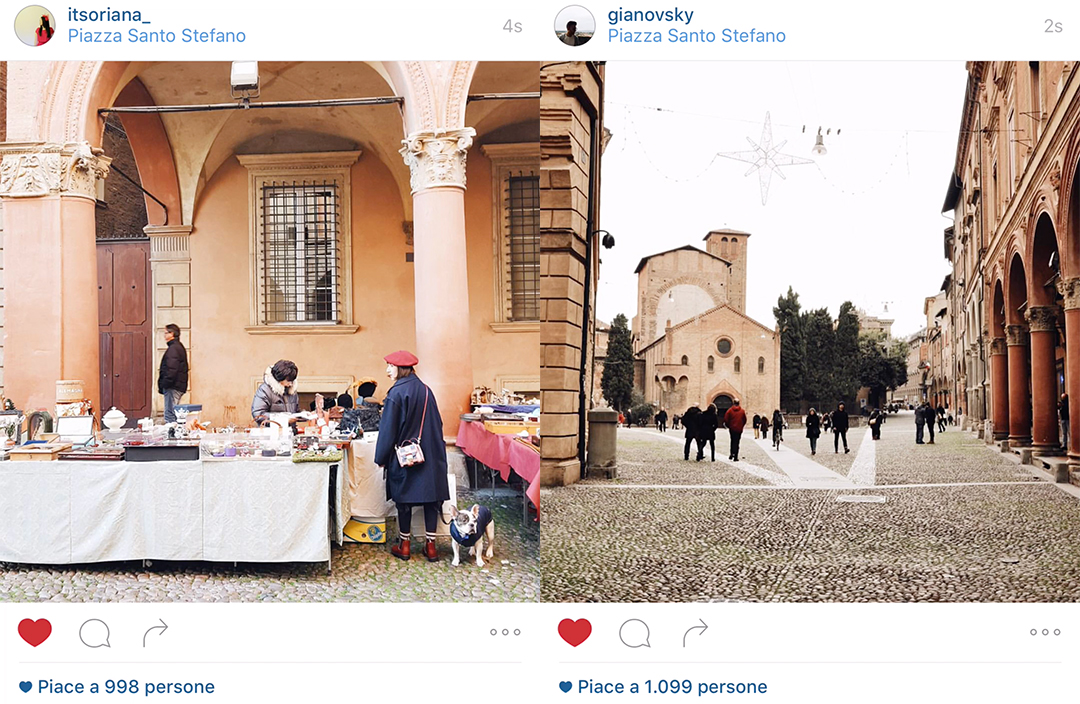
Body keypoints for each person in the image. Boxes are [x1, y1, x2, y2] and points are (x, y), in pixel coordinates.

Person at [375, 350, 451, 563]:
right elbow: (437, 425)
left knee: (404, 501)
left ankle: (405, 545)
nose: (387, 370)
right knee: (430, 499)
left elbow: (388, 429)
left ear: (401, 368)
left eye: (390, 366)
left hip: (404, 456)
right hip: (430, 454)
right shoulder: (427, 391)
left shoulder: (395, 394)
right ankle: (431, 546)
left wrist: (381, 456)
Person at [251, 359, 300, 426]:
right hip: (271, 433)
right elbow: (258, 414)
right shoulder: (265, 390)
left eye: (292, 381)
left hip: (290, 432)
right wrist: (284, 419)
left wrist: (306, 415)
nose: (291, 384)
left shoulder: (291, 390)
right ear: (280, 378)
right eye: (288, 381)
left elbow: (296, 411)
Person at [157, 323, 188, 424]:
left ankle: (172, 437)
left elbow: (171, 369)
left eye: (166, 333)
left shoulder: (173, 349)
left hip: (172, 386)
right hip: (176, 385)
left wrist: (164, 384)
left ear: (172, 334)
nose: (164, 335)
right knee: (174, 414)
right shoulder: (177, 347)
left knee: (170, 415)